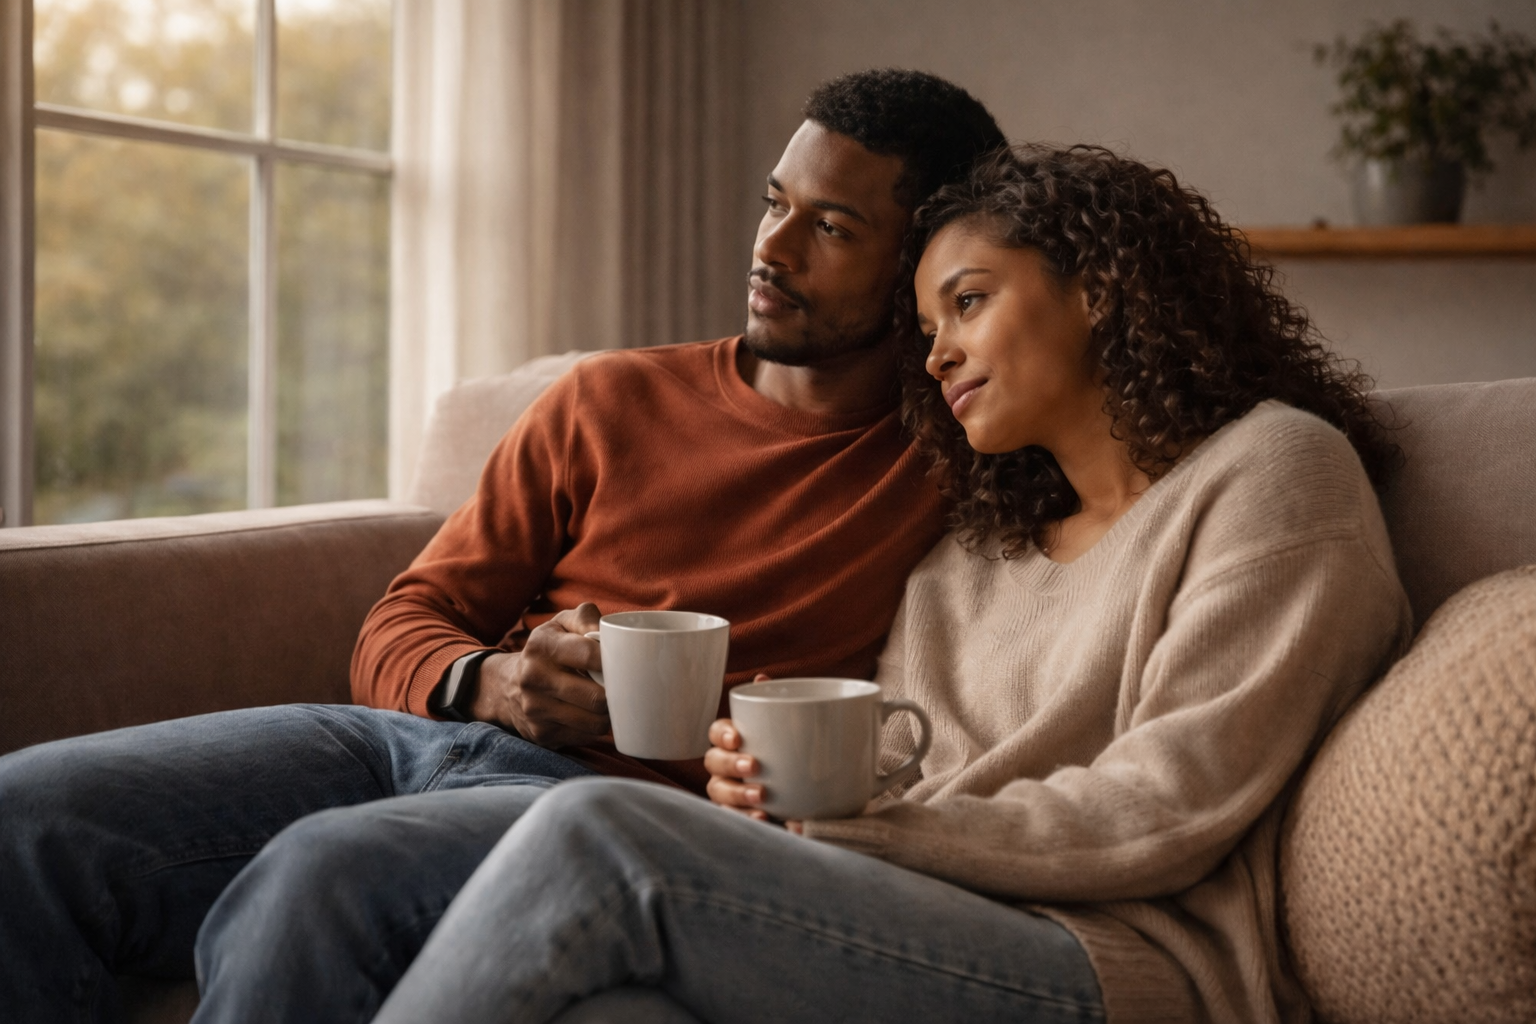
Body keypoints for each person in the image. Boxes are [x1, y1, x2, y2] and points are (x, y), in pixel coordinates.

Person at [0, 70, 1008, 1023]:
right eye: (774, 202)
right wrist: (489, 681)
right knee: (26, 816)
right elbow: (399, 621)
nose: (773, 249)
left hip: (601, 813)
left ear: (924, 265)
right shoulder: (611, 398)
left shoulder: (956, 456)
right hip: (407, 742)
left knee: (320, 877)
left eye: (831, 228)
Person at [368, 145, 1415, 1024]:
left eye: (968, 304)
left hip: (1116, 962)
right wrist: (779, 788)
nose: (939, 357)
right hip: (907, 906)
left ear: (1096, 287)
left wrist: (864, 827)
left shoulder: (1275, 472)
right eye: (925, 331)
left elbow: (1168, 806)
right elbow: (905, 763)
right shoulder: (978, 545)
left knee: (598, 834)